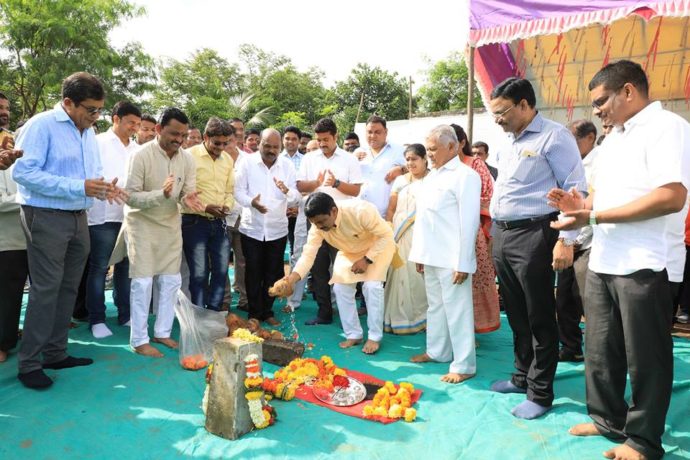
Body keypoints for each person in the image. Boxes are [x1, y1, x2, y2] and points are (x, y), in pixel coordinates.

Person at [550, 60, 690, 460]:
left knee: (646, 356)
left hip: (647, 263)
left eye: (601, 101)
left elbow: (671, 197)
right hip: (605, 258)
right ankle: (606, 419)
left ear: (628, 91)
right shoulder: (614, 139)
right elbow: (603, 196)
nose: (596, 111)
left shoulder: (669, 129)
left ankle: (644, 440)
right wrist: (578, 205)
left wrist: (592, 215)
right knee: (600, 347)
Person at [13, 72, 126, 389]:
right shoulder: (41, 125)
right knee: (46, 288)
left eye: (99, 110)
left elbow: (91, 173)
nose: (95, 117)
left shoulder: (87, 132)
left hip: (79, 215)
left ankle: (55, 352)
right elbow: (24, 173)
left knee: (67, 286)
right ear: (67, 103)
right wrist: (80, 186)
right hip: (45, 214)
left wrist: (103, 188)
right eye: (90, 109)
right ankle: (30, 363)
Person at [487, 77, 586, 420]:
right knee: (514, 311)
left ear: (525, 105)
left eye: (502, 112)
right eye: (493, 113)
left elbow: (576, 191)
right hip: (504, 234)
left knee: (538, 313)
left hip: (536, 233)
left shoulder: (554, 137)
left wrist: (566, 240)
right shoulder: (507, 142)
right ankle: (521, 376)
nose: (497, 119)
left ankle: (541, 393)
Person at [122, 107, 204, 358]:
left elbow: (185, 193)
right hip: (142, 224)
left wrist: (187, 200)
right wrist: (161, 194)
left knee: (171, 281)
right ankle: (139, 340)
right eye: (174, 134)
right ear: (158, 129)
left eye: (183, 135)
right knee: (143, 282)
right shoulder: (140, 156)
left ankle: (162, 332)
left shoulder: (187, 159)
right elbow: (130, 196)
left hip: (170, 224)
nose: (179, 140)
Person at [275, 192, 396, 354]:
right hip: (349, 252)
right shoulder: (318, 227)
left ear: (333, 211)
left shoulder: (360, 210)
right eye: (315, 223)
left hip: (377, 247)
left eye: (322, 221)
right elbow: (308, 254)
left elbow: (387, 235)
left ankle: (374, 337)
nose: (319, 227)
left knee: (372, 287)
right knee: (340, 287)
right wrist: (292, 278)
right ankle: (354, 334)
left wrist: (367, 260)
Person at [408, 125, 480, 383]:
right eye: (427, 150)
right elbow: (424, 219)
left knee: (458, 310)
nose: (429, 155)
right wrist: (420, 255)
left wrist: (463, 261)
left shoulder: (466, 176)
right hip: (431, 255)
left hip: (452, 259)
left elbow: (469, 222)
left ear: (452, 147)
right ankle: (437, 351)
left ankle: (464, 364)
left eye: (433, 149)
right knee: (436, 307)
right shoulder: (431, 177)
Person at [296, 118, 363, 326]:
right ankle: (324, 313)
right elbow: (300, 186)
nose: (322, 143)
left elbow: (356, 190)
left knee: (343, 268)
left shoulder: (349, 159)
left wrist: (336, 183)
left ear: (336, 136)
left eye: (326, 139)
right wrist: (315, 183)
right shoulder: (309, 158)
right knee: (318, 268)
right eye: (319, 140)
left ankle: (347, 316)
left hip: (341, 222)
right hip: (316, 222)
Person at [86, 100, 141, 339]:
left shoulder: (137, 149)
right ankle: (96, 318)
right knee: (99, 268)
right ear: (115, 119)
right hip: (102, 215)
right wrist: (106, 186)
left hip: (129, 216)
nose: (134, 128)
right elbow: (88, 174)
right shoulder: (96, 143)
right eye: (131, 123)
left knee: (126, 268)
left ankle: (125, 314)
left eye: (138, 124)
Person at [235, 128, 300, 325]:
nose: (271, 150)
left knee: (274, 272)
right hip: (252, 228)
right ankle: (254, 313)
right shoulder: (246, 161)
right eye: (267, 146)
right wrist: (251, 203)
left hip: (277, 229)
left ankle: (268, 311)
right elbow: (237, 191)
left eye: (275, 147)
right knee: (253, 271)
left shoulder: (286, 165)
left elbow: (296, 198)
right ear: (259, 143)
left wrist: (287, 191)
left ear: (280, 147)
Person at [554, 120, 599, 362]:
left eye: (574, 141)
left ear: (590, 137)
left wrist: (577, 238)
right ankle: (571, 347)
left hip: (590, 242)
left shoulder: (601, 163)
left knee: (589, 300)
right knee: (564, 298)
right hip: (570, 240)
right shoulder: (570, 163)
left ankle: (598, 353)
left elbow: (592, 206)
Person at [182, 117, 235, 311]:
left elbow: (230, 191)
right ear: (206, 137)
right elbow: (182, 194)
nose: (220, 147)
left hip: (220, 222)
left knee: (221, 271)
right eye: (216, 143)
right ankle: (198, 316)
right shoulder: (188, 156)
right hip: (194, 222)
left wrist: (226, 206)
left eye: (225, 143)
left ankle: (213, 314)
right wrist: (205, 207)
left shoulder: (227, 159)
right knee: (199, 274)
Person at [452, 124, 500, 334]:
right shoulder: (439, 167)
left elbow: (487, 195)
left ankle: (473, 328)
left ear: (461, 143)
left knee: (473, 277)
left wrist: (460, 204)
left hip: (473, 230)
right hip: (447, 231)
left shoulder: (475, 164)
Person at [383, 143, 429, 334]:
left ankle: (422, 317)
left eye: (414, 159)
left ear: (425, 159)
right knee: (400, 272)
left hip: (424, 234)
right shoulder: (400, 180)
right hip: (401, 235)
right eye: (408, 159)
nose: (410, 163)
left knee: (419, 277)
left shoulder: (433, 180)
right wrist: (390, 229)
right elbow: (392, 210)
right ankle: (400, 318)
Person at [0, 98, 27, 363]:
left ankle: (11, 335)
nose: (5, 114)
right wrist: (29, 198)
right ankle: (3, 343)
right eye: (0, 110)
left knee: (17, 292)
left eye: (7, 108)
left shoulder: (16, 148)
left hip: (27, 235)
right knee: (7, 294)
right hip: (5, 239)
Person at [280, 126, 309, 313]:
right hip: (280, 214)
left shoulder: (306, 160)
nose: (290, 142)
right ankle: (288, 295)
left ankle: (298, 294)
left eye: (294, 139)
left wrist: (297, 201)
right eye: (287, 138)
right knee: (292, 255)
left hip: (303, 212)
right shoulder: (276, 160)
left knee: (303, 253)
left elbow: (305, 187)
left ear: (299, 141)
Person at [358, 115, 406, 218]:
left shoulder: (399, 151)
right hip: (360, 215)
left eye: (377, 132)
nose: (373, 136)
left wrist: (402, 169)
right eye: (369, 132)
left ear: (386, 132)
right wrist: (352, 160)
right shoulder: (358, 153)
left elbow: (419, 169)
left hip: (386, 216)